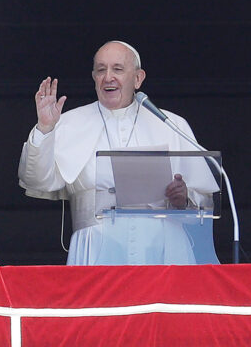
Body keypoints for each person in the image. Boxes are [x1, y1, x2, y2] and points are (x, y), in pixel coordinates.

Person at [18, 41, 216, 265]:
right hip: (95, 246)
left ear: (138, 78)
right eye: (101, 70)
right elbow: (36, 182)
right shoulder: (68, 122)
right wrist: (45, 129)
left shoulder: (171, 124)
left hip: (164, 248)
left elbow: (204, 201)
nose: (108, 77)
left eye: (118, 69)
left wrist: (184, 198)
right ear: (94, 77)